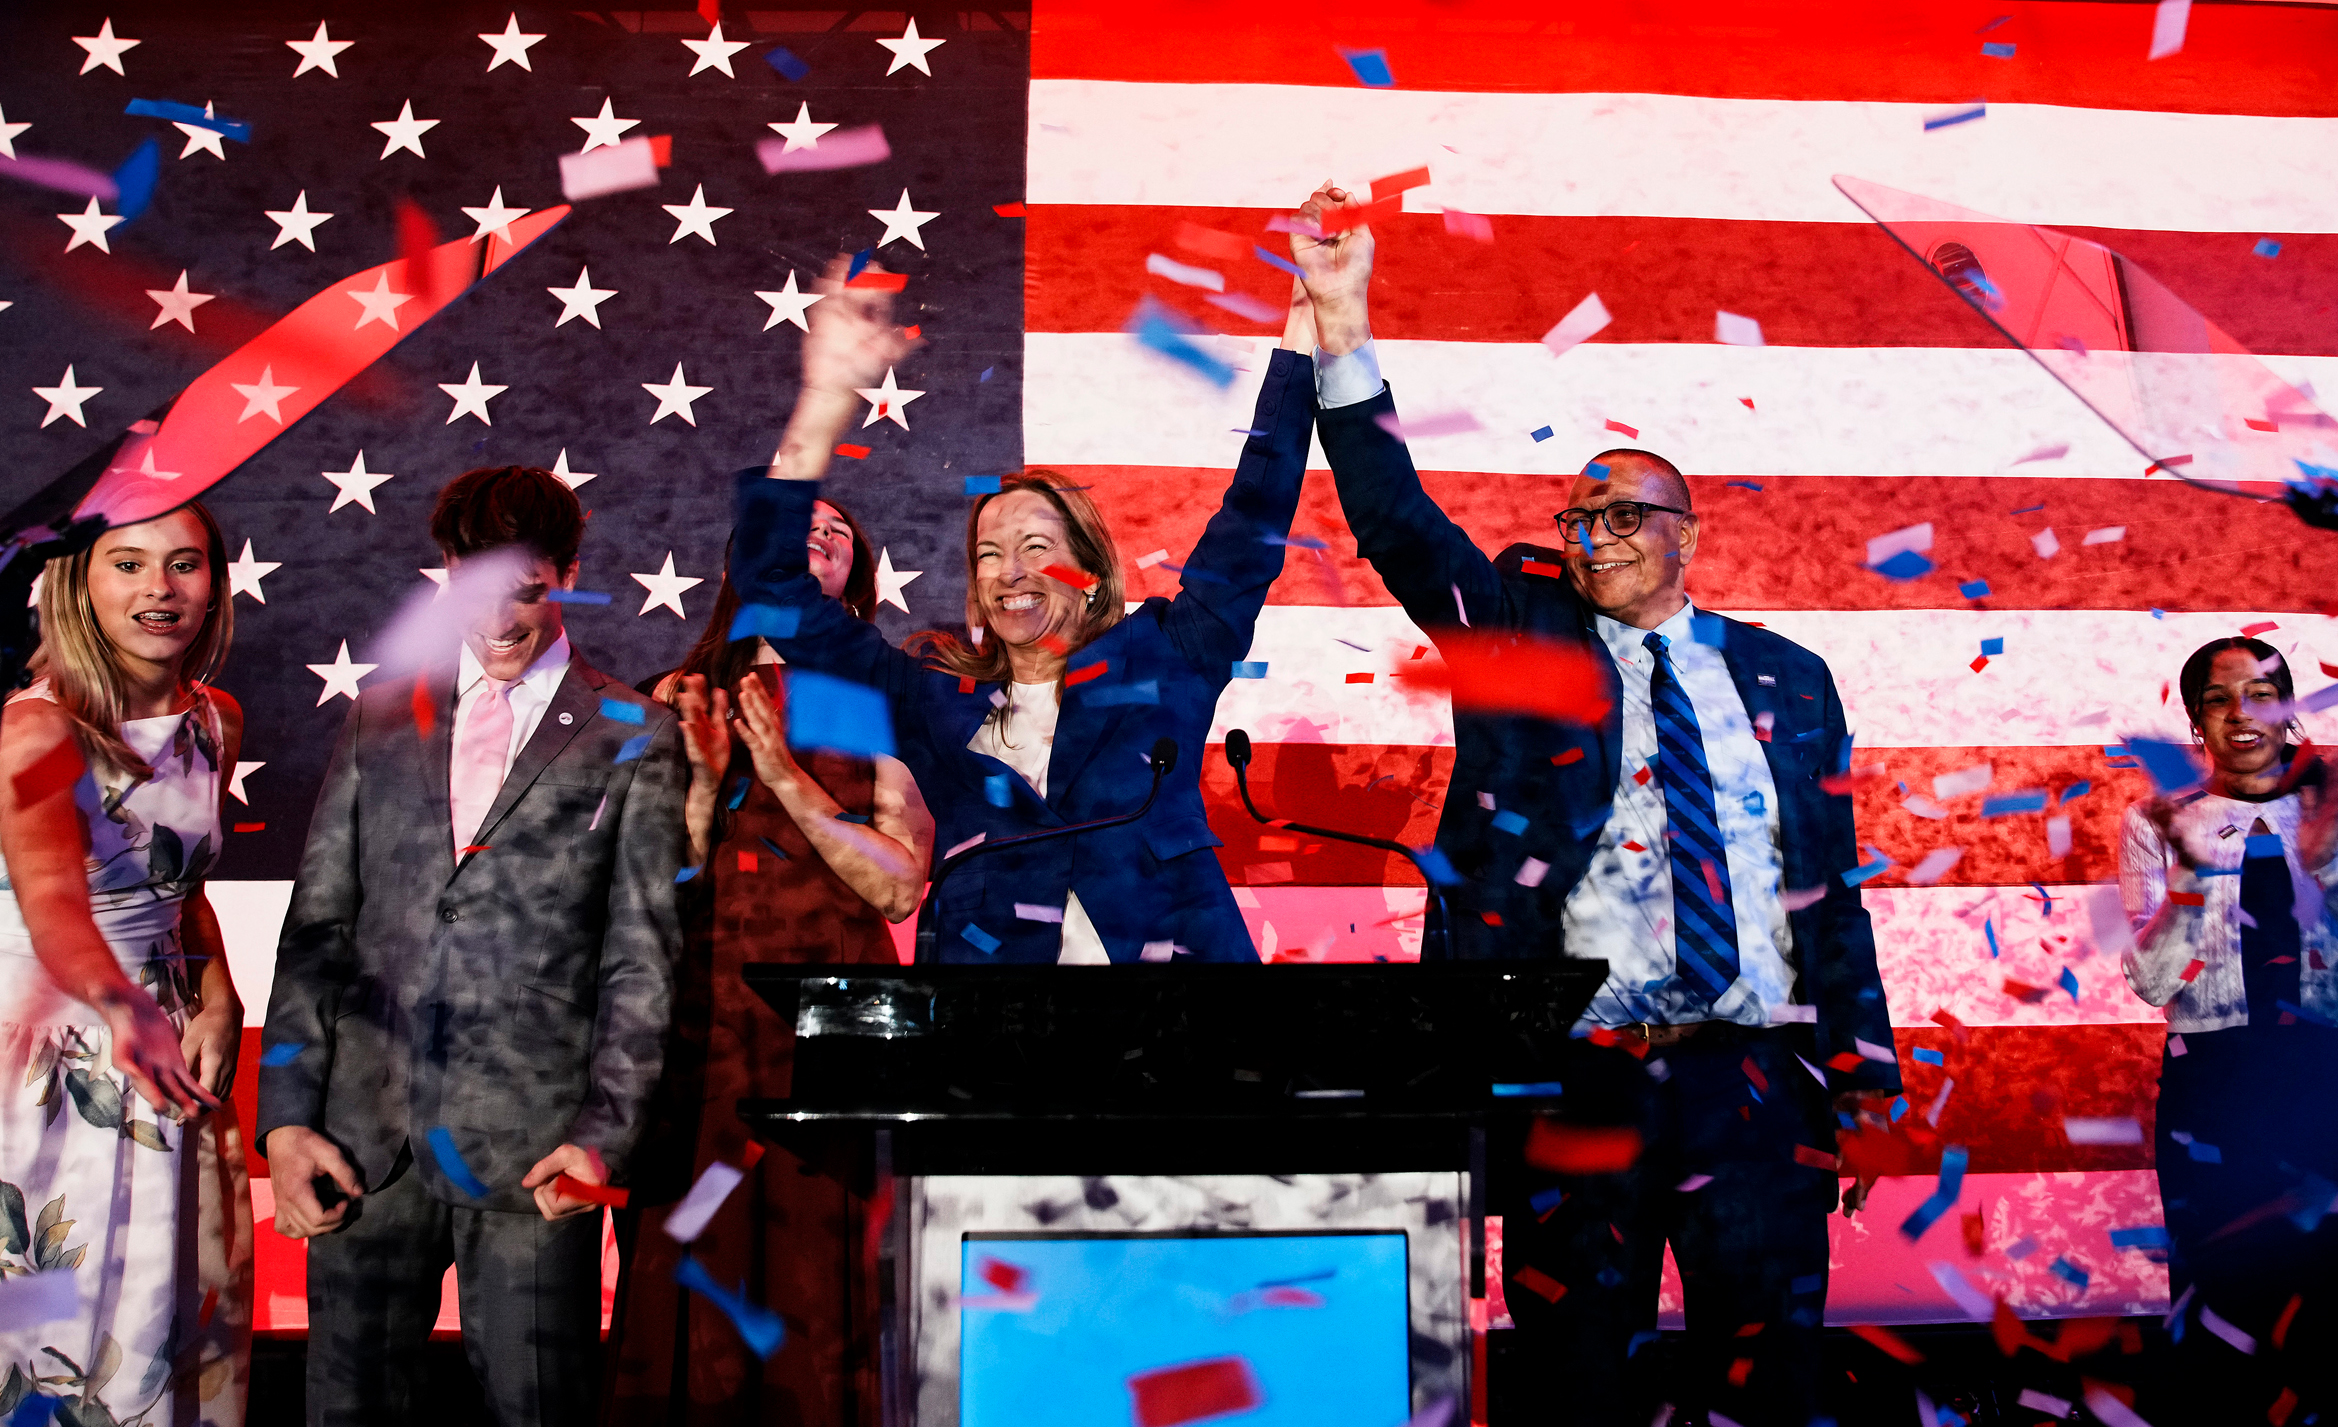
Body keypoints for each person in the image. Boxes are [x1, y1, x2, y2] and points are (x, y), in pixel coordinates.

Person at [1285, 183, 1897, 1427]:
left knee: (1770, 1381)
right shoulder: (1524, 641)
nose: (1594, 538)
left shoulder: (1789, 675)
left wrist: (1863, 1072)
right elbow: (1399, 524)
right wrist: (1340, 325)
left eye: (1624, 516)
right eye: (1577, 520)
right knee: (1573, 1384)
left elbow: (1826, 884)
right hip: (1579, 1079)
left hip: (1755, 1081)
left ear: (1688, 533)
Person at [727, 263, 1319, 965]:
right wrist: (825, 398)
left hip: (1178, 1034)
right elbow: (771, 585)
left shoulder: (1168, 657)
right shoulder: (929, 699)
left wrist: (1306, 328)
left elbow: (1255, 513)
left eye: (1037, 547)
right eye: (988, 553)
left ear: (1091, 577)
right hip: (996, 1045)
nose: (1010, 571)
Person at [259, 466, 688, 1427]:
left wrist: (602, 1138)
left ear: (568, 576)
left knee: (541, 1410)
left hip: (537, 1157)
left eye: (528, 590)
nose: (499, 618)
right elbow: (316, 933)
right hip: (362, 1149)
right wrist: (286, 1122)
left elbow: (642, 959)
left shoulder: (635, 732)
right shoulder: (378, 718)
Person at [606, 511, 932, 1427]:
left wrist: (783, 772)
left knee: (822, 1276)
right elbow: (637, 887)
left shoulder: (883, 696)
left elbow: (900, 887)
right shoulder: (666, 697)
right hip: (701, 1027)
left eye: (836, 526)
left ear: (855, 571)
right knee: (696, 1265)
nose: (814, 530)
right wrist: (706, 785)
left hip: (837, 1033)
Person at [2119, 635, 2338, 1422]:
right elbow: (2154, 983)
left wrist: (2332, 865)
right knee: (2230, 1294)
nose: (2241, 713)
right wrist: (2188, 884)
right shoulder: (2157, 819)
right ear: (2197, 723)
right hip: (2215, 1084)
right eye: (2218, 700)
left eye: (2261, 693)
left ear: (2287, 711)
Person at [0, 502, 254, 1423]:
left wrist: (219, 1000)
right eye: (130, 563)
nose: (160, 587)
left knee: (166, 1305)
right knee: (45, 1311)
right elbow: (55, 907)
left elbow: (180, 894)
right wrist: (121, 1006)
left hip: (169, 1040)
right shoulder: (37, 729)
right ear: (80, 581)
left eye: (184, 563)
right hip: (48, 1058)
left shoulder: (214, 719)